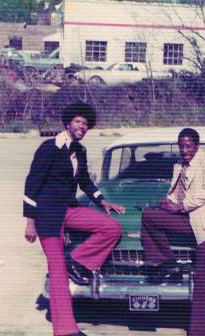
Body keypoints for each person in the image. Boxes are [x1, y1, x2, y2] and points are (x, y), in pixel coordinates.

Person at [23, 102, 125, 336]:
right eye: (79, 122)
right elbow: (32, 184)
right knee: (58, 277)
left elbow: (85, 182)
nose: (82, 127)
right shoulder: (49, 147)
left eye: (86, 124)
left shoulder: (80, 150)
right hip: (47, 216)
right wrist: (30, 221)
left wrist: (103, 202)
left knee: (111, 227)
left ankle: (77, 261)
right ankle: (66, 330)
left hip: (68, 210)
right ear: (68, 123)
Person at [141, 128, 205, 336]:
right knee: (149, 215)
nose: (185, 150)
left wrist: (181, 206)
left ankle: (198, 333)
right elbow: (176, 192)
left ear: (196, 145)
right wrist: (168, 202)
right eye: (181, 146)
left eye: (188, 146)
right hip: (191, 222)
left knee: (203, 279)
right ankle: (167, 262)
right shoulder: (179, 166)